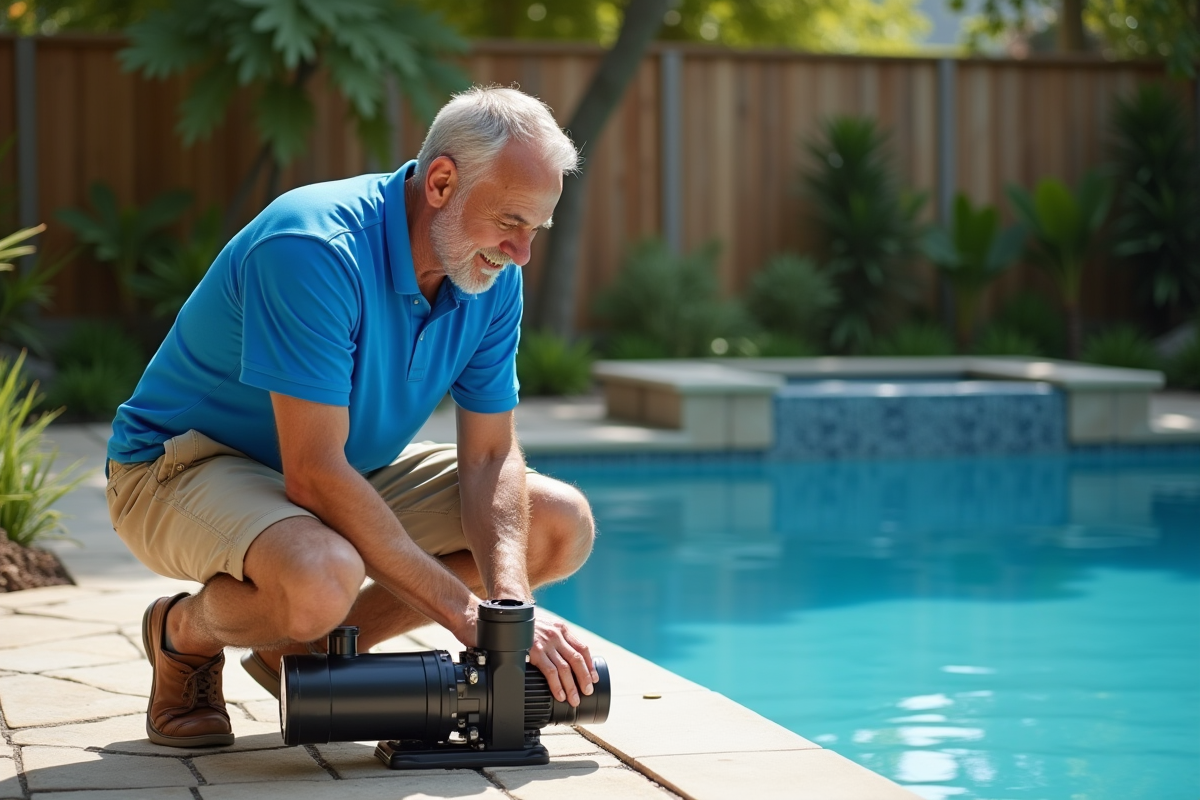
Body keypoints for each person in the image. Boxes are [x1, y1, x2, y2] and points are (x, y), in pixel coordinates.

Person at [105, 86, 598, 748]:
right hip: (178, 467)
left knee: (557, 526)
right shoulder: (314, 247)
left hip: (340, 467)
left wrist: (509, 611)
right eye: (510, 221)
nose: (521, 253)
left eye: (535, 230)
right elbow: (312, 474)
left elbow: (489, 457)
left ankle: (292, 656)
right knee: (320, 577)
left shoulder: (489, 276)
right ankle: (181, 637)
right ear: (443, 182)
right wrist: (466, 617)